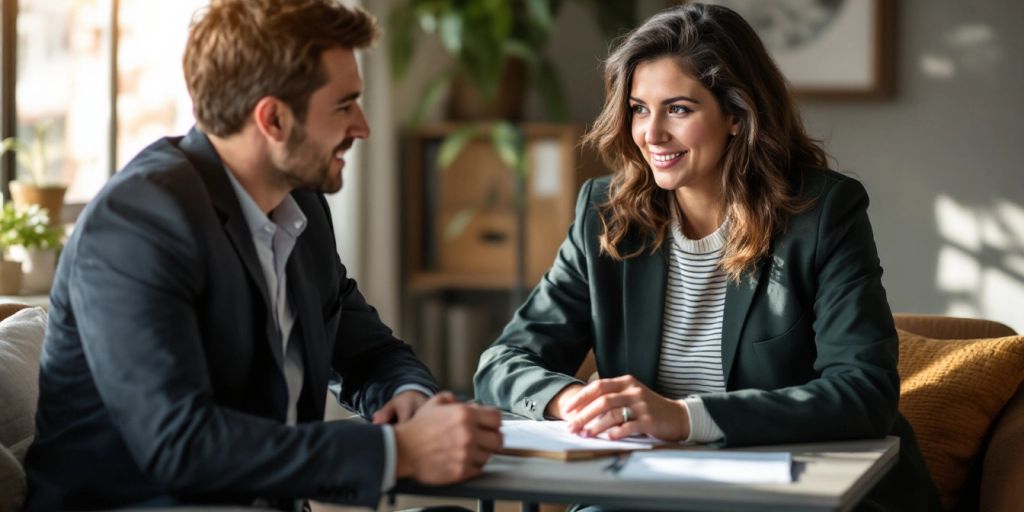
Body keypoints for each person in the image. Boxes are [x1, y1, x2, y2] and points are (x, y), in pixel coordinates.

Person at [24, 0, 502, 510]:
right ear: (273, 118)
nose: (362, 127)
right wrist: (395, 451)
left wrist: (409, 400)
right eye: (344, 105)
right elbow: (179, 445)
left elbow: (369, 354)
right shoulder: (137, 224)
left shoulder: (300, 203)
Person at [474, 4, 939, 510]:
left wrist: (685, 417)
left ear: (737, 115)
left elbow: (862, 392)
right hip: (647, 486)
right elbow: (502, 363)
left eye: (678, 109)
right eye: (638, 108)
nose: (651, 135)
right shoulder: (606, 214)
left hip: (794, 489)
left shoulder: (822, 213)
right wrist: (575, 402)